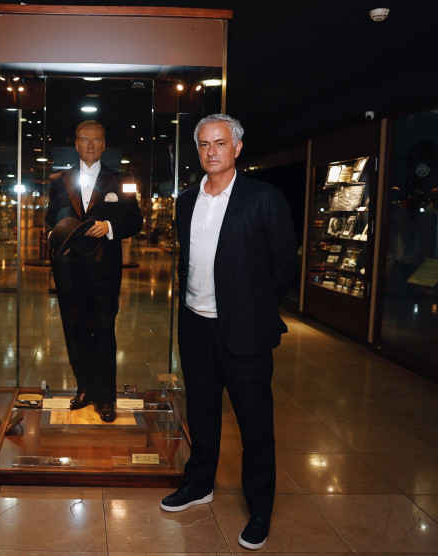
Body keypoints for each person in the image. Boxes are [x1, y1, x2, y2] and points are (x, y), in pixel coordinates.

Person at [159, 114, 299, 551]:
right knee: (201, 414)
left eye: (220, 143)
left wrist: (254, 309)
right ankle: (199, 484)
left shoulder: (262, 197)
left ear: (237, 148)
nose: (211, 151)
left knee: (254, 425)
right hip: (195, 326)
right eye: (204, 144)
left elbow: (284, 264)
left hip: (244, 333)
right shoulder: (186, 200)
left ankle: (260, 510)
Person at [45, 120, 142, 422]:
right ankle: (85, 388)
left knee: (103, 329)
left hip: (104, 269)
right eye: (84, 139)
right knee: (73, 329)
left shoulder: (120, 179)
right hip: (68, 269)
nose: (90, 145)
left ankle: (106, 397)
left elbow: (135, 221)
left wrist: (109, 226)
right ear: (76, 144)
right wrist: (54, 234)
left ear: (104, 144)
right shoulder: (59, 180)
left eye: (96, 139)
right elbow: (50, 218)